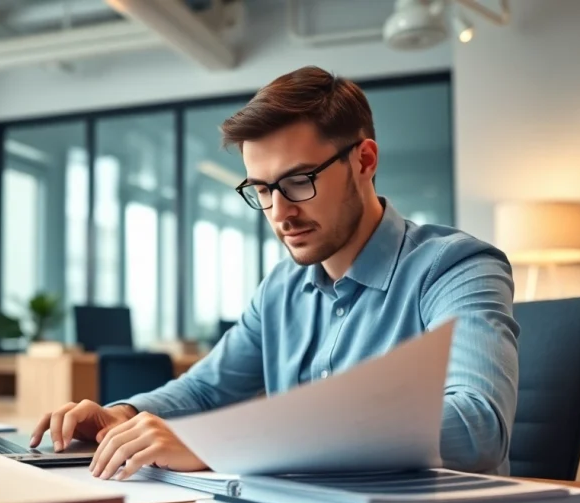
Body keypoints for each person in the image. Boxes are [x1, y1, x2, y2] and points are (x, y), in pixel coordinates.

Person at [29, 66, 519, 481]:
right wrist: (123, 415)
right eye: (261, 189)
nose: (279, 212)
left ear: (364, 161)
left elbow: (477, 428)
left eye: (298, 181)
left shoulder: (456, 267)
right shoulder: (281, 289)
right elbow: (204, 389)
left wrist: (226, 443)